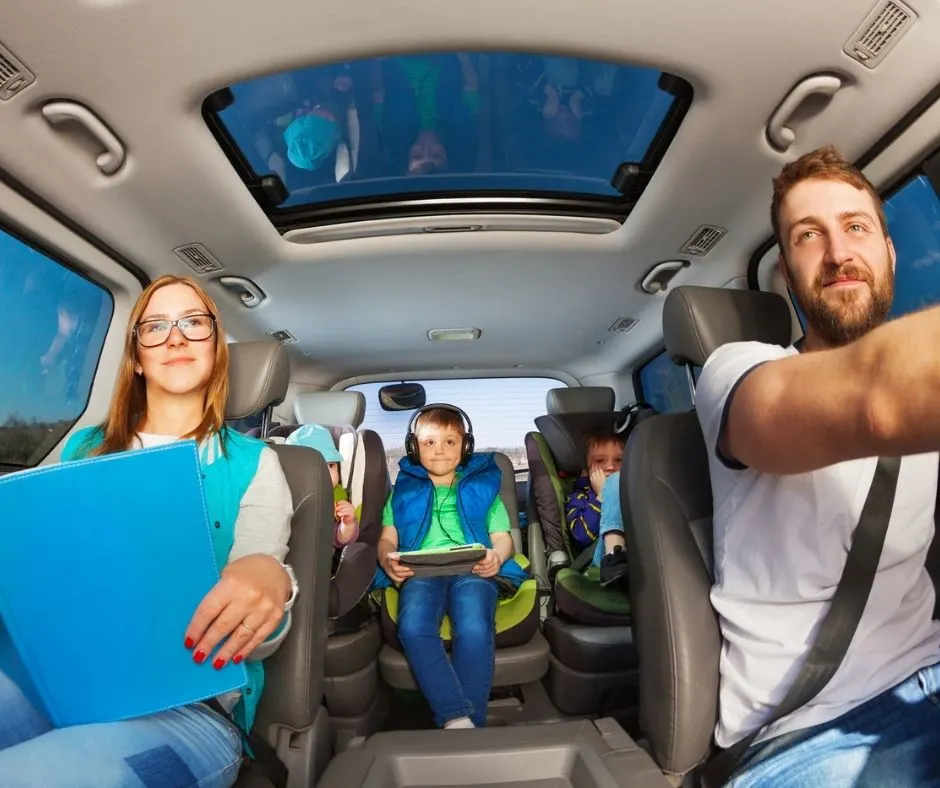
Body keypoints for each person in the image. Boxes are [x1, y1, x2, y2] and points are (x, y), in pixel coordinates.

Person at [695, 145, 940, 786]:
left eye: (856, 227)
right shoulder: (735, 373)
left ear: (888, 251)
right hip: (807, 734)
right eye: (810, 236)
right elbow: (878, 398)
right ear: (786, 271)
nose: (837, 253)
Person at [0, 274, 298, 787]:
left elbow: (260, 609)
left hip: (190, 709)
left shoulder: (254, 464)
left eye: (194, 323)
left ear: (216, 350)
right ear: (136, 355)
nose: (176, 337)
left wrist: (272, 580)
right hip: (68, 681)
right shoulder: (83, 450)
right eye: (155, 326)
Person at [372, 405, 528, 728]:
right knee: (413, 627)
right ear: (414, 448)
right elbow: (387, 540)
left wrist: (496, 556)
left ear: (465, 447)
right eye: (428, 443)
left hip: (473, 569)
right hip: (421, 572)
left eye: (449, 442)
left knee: (473, 625)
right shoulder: (402, 494)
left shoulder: (482, 491)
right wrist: (387, 559)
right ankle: (458, 717)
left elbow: (503, 538)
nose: (439, 450)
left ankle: (469, 725)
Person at [285, 423, 360, 553]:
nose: (325, 473)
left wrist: (347, 524)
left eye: (331, 465)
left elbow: (339, 539)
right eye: (315, 466)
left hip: (315, 563)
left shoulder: (335, 498)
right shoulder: (282, 492)